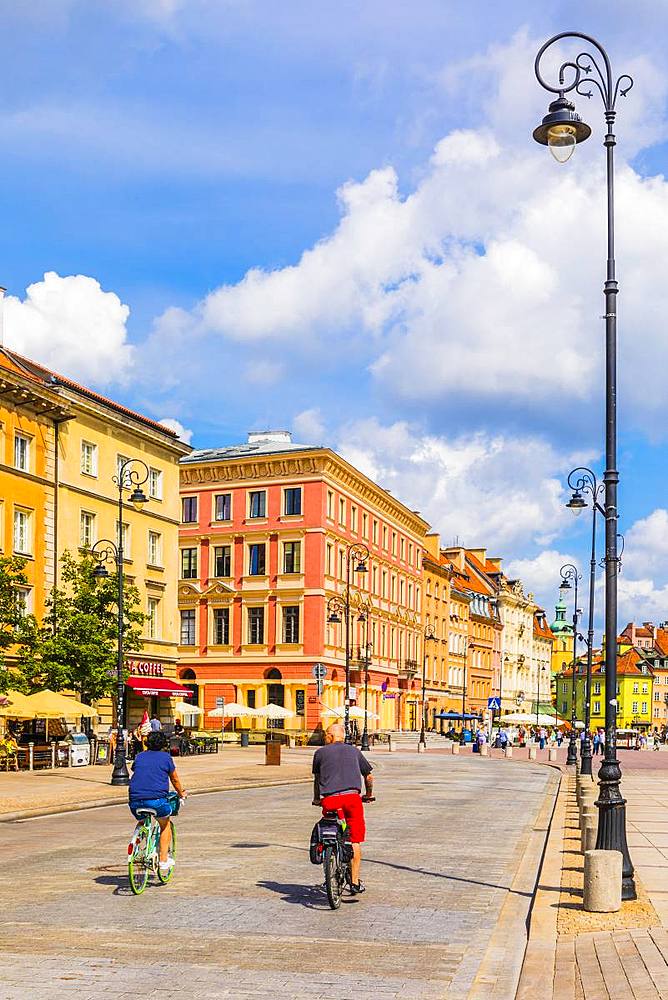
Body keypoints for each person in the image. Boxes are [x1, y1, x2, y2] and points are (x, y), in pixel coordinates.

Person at [312, 722, 374, 895]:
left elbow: (317, 780)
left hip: (330, 801)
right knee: (354, 839)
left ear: (331, 736)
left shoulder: (319, 753)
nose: (325, 738)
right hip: (352, 799)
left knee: (330, 829)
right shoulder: (354, 751)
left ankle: (329, 870)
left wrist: (317, 799)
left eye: (326, 735)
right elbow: (369, 777)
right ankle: (354, 882)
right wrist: (368, 795)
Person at [129, 730, 187, 874]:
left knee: (142, 820)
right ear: (163, 744)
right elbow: (174, 779)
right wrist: (182, 793)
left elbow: (137, 771)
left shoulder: (140, 756)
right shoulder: (165, 758)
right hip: (157, 801)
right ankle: (163, 860)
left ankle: (136, 843)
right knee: (165, 824)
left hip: (135, 801)